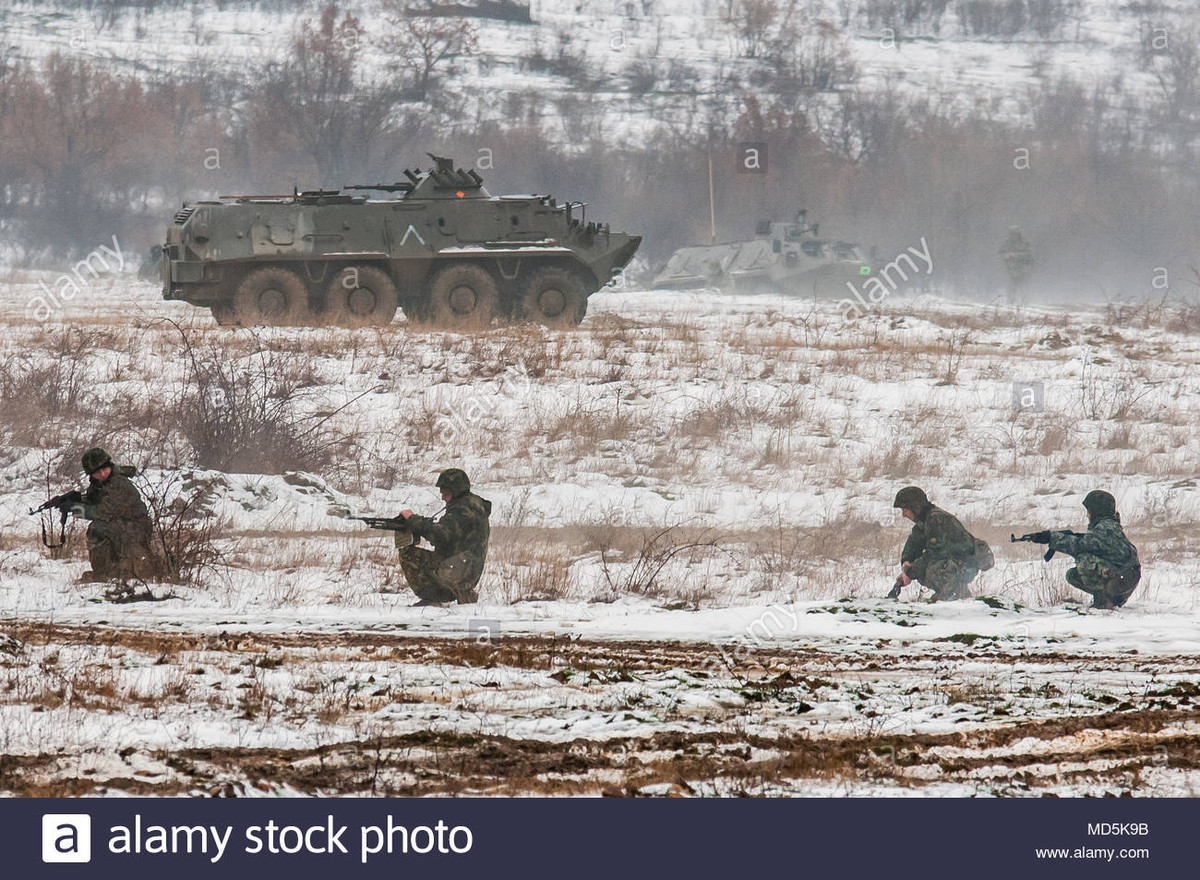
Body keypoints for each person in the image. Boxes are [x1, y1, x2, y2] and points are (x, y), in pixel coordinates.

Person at [1025, 490, 1141, 609]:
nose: (1087, 515)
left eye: (1089, 511)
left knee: (1084, 559)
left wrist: (1051, 538)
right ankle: (1112, 599)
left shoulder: (1105, 528)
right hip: (1126, 579)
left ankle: (1103, 602)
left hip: (1123, 580)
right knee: (1073, 575)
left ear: (1097, 511)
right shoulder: (1111, 525)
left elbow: (1079, 546)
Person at [395, 468, 491, 606]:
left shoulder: (464, 508)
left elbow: (441, 535)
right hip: (464, 567)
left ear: (456, 491)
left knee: (408, 554)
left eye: (446, 493)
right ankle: (458, 593)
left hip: (460, 570)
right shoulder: (471, 504)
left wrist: (413, 520)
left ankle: (436, 598)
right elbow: (450, 533)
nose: (443, 497)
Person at [76, 447, 155, 581]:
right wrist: (76, 500)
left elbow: (103, 512)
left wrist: (76, 509)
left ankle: (102, 574)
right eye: (97, 472)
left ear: (109, 465)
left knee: (97, 528)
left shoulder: (119, 483)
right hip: (124, 525)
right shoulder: (100, 483)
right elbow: (95, 500)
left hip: (136, 527)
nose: (102, 474)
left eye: (104, 469)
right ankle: (107, 570)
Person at [891, 486, 981, 602]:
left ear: (915, 506)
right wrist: (906, 567)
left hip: (967, 564)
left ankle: (952, 595)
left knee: (932, 568)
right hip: (955, 564)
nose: (903, 514)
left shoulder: (937, 519)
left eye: (905, 509)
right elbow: (913, 546)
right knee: (923, 568)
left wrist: (911, 572)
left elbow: (934, 554)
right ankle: (952, 594)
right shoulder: (924, 521)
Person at [999, 225, 1033, 298]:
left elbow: (1029, 255)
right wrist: (1005, 255)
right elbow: (1000, 253)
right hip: (1010, 270)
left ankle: (1025, 306)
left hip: (1023, 270)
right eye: (1011, 234)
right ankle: (1010, 306)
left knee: (1024, 291)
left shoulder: (1025, 242)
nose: (1013, 236)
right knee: (1010, 291)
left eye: (1015, 234)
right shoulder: (1006, 242)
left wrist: (1015, 255)